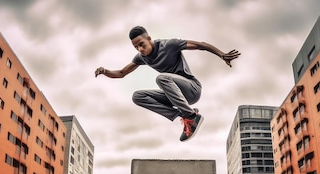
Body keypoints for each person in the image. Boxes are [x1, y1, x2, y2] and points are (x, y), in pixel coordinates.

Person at [95, 26, 240, 141]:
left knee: (162, 78)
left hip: (192, 89)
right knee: (137, 96)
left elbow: (200, 45)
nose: (140, 49)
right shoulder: (141, 57)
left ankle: (190, 116)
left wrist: (222, 54)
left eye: (142, 44)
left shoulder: (169, 45)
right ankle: (187, 116)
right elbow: (121, 73)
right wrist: (105, 71)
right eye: (136, 47)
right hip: (174, 95)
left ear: (149, 39)